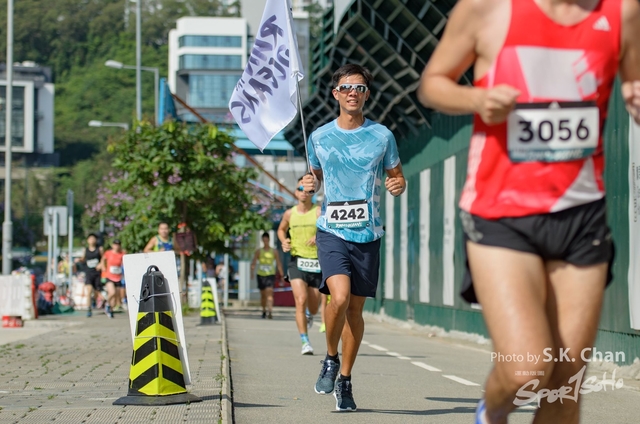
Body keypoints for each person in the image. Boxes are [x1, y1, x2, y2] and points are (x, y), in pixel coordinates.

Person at [416, 0, 640, 423]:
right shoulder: (487, 9)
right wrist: (477, 97)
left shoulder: (622, 11)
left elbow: (634, 81)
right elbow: (432, 84)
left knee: (565, 388)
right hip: (500, 213)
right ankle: (492, 412)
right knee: (527, 368)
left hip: (581, 214)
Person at [302, 63, 406, 412]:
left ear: (366, 95)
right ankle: (330, 357)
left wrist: (398, 185)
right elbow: (314, 176)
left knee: (356, 311)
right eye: (346, 87)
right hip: (331, 230)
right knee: (340, 297)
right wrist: (309, 183)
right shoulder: (319, 136)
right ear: (336, 94)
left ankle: (344, 380)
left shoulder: (382, 136)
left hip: (368, 233)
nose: (352, 93)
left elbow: (397, 176)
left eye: (359, 88)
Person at [277, 176, 323, 355]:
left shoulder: (318, 211)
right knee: (300, 300)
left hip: (316, 263)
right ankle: (305, 341)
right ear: (295, 193)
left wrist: (318, 236)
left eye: (306, 189)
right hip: (297, 261)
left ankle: (309, 315)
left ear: (312, 192)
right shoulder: (290, 214)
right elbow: (281, 229)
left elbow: (329, 228)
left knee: (314, 307)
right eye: (299, 189)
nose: (303, 192)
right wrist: (284, 241)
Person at [250, 232, 284, 319]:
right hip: (261, 275)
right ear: (262, 240)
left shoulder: (274, 251)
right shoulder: (259, 251)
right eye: (264, 240)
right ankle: (264, 310)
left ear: (269, 240)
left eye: (267, 240)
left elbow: (278, 263)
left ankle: (270, 311)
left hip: (270, 274)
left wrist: (281, 275)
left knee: (269, 293)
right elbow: (253, 262)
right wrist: (252, 272)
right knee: (263, 295)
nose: (265, 242)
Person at [77, 233, 103, 317]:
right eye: (90, 239)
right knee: (88, 291)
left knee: (97, 291)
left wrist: (101, 264)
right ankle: (89, 309)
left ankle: (94, 300)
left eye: (93, 239)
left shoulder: (99, 249)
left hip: (97, 273)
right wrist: (79, 260)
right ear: (88, 240)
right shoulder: (85, 250)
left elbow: (104, 258)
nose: (92, 240)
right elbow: (83, 258)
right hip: (89, 272)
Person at [100, 239, 126, 319]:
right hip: (109, 277)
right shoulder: (108, 253)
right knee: (112, 292)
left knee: (115, 298)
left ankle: (109, 310)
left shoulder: (122, 254)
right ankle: (107, 303)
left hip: (118, 277)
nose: (116, 246)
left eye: (118, 244)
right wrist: (103, 267)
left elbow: (125, 262)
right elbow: (103, 259)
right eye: (115, 244)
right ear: (112, 245)